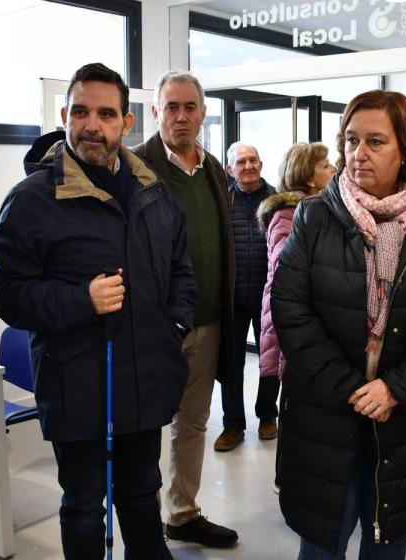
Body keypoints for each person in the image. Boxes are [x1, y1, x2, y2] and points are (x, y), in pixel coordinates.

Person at [0, 63, 193, 559]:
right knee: (84, 505)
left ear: (126, 123)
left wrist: (174, 325)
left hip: (144, 378)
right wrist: (81, 300)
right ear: (64, 115)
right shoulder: (33, 199)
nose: (91, 125)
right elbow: (5, 289)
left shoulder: (154, 192)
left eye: (105, 113)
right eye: (80, 112)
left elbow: (182, 270)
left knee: (142, 494)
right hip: (77, 384)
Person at [272, 90, 406, 559]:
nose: (357, 154)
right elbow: (290, 307)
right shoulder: (315, 215)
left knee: (387, 538)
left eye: (375, 141)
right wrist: (349, 388)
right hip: (328, 410)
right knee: (324, 537)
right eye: (350, 140)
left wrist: (396, 388)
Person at [130, 70, 238, 548]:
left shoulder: (215, 169)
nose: (180, 116)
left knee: (192, 422)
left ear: (202, 113)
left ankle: (182, 512)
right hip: (155, 326)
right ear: (155, 112)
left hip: (209, 322)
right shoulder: (133, 168)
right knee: (147, 425)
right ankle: (144, 524)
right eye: (170, 107)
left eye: (189, 107)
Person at [218, 142, 280, 451]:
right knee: (231, 364)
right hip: (231, 298)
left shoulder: (276, 200)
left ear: (261, 163)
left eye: (253, 160)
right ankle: (233, 425)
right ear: (230, 169)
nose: (248, 166)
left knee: (269, 360)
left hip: (268, 296)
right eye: (241, 162)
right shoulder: (221, 200)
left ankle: (268, 415)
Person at [257, 142, 336, 381]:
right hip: (292, 311)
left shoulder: (320, 208)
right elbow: (286, 267)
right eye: (325, 165)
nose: (333, 169)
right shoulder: (288, 213)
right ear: (310, 178)